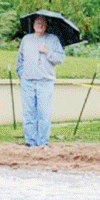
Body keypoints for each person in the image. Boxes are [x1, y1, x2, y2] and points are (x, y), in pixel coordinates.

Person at [16, 14, 65, 146]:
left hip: (45, 81)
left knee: (44, 114)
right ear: (33, 25)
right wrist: (22, 73)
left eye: (43, 23)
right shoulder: (26, 39)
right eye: (38, 22)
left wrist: (47, 52)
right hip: (27, 82)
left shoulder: (53, 40)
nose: (40, 25)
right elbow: (20, 58)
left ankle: (43, 142)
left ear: (46, 26)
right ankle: (30, 142)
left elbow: (60, 59)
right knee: (28, 113)